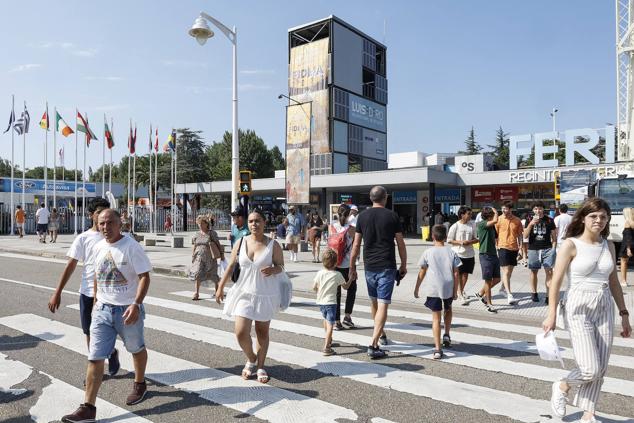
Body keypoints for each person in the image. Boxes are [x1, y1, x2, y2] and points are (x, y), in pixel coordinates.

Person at [543, 198, 631, 423]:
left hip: (604, 306)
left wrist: (624, 314)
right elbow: (555, 282)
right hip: (578, 306)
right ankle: (562, 385)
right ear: (583, 217)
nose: (598, 220)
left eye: (603, 216)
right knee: (590, 368)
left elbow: (613, 283)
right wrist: (551, 314)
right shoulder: (571, 244)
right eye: (593, 216)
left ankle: (588, 415)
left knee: (601, 368)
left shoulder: (608, 245)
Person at [61, 209, 152, 423]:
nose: (105, 227)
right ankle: (88, 408)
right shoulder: (97, 246)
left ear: (120, 224)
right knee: (95, 357)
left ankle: (140, 384)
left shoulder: (131, 246)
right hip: (102, 310)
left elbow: (144, 277)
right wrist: (94, 303)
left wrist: (136, 304)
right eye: (101, 223)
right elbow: (96, 277)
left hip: (127, 310)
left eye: (110, 223)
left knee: (136, 349)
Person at [48, 198, 119, 375]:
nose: (103, 217)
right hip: (87, 292)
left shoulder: (114, 236)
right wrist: (57, 292)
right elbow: (70, 266)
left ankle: (109, 353)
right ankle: (98, 370)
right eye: (98, 213)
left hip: (109, 294)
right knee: (89, 332)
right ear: (91, 215)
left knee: (108, 331)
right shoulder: (84, 238)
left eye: (106, 212)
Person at [216, 209, 286, 384]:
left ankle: (260, 366)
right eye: (251, 221)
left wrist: (273, 269)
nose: (254, 224)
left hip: (265, 293)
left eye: (257, 221)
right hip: (244, 292)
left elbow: (281, 267)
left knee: (262, 332)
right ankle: (251, 358)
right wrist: (220, 286)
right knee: (240, 332)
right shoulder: (240, 242)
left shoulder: (273, 245)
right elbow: (231, 265)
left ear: (264, 223)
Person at [350, 186, 407, 359]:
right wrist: (403, 264)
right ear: (386, 198)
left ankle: (380, 334)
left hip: (369, 266)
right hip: (387, 265)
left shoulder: (362, 216)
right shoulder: (392, 216)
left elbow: (356, 244)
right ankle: (373, 344)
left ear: (370, 197)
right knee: (383, 304)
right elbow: (400, 243)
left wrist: (352, 266)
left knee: (374, 302)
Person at [414, 225, 461, 359]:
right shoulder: (452, 252)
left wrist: (417, 287)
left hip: (434, 288)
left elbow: (422, 271)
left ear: (432, 237)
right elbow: (456, 273)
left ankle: (437, 349)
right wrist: (456, 290)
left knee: (436, 317)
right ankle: (446, 334)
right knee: (448, 308)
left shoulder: (428, 252)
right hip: (448, 286)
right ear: (446, 237)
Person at [313, 248, 350, 356]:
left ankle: (328, 340)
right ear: (335, 263)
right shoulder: (337, 274)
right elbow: (346, 287)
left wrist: (319, 290)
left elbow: (314, 287)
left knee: (325, 320)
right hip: (331, 303)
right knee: (330, 325)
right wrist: (351, 279)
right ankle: (326, 347)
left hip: (321, 302)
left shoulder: (320, 273)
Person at [330, 204, 357, 330]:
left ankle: (336, 321)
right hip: (347, 264)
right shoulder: (351, 229)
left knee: (336, 293)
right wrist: (354, 267)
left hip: (334, 264)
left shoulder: (332, 227)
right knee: (352, 289)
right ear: (348, 215)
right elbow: (355, 248)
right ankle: (347, 317)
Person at [524, 201, 557, 303]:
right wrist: (530, 225)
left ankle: (548, 296)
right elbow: (525, 236)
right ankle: (534, 293)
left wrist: (553, 249)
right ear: (533, 210)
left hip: (547, 249)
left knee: (549, 272)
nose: (538, 210)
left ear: (543, 209)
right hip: (533, 249)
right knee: (534, 271)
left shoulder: (550, 220)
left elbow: (554, 237)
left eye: (540, 208)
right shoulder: (529, 219)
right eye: (535, 209)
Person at [447, 206, 478, 305]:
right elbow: (449, 240)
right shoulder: (455, 226)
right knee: (458, 275)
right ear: (462, 215)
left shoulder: (472, 225)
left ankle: (460, 291)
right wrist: (461, 242)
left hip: (469, 254)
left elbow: (477, 238)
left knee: (465, 274)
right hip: (457, 254)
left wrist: (470, 242)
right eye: (468, 214)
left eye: (471, 214)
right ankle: (459, 294)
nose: (470, 216)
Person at [190, 215, 224, 300]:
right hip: (199, 257)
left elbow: (217, 244)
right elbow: (194, 245)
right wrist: (193, 255)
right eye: (199, 223)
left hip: (210, 257)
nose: (200, 225)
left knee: (213, 275)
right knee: (197, 273)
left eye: (202, 223)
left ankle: (217, 291)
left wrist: (221, 254)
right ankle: (196, 293)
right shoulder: (196, 234)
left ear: (206, 224)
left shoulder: (212, 233)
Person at [495, 201, 523, 305]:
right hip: (502, 247)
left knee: (509, 272)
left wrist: (520, 248)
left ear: (511, 209)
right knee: (506, 271)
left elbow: (520, 235)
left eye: (506, 208)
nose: (504, 210)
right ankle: (509, 294)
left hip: (514, 248)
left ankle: (502, 289)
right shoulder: (498, 219)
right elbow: (495, 235)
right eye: (502, 208)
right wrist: (496, 247)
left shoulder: (517, 220)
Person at [475, 206, 500, 313]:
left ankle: (480, 293)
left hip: (493, 254)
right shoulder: (481, 224)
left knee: (497, 279)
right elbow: (495, 220)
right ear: (488, 216)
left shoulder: (491, 226)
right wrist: (495, 210)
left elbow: (496, 237)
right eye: (492, 214)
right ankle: (489, 303)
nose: (494, 216)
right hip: (485, 255)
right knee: (488, 281)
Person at [618, 207, 634, 287]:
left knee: (624, 263)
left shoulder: (627, 223)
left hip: (627, 246)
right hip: (631, 245)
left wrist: (628, 248)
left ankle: (623, 281)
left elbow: (628, 237)